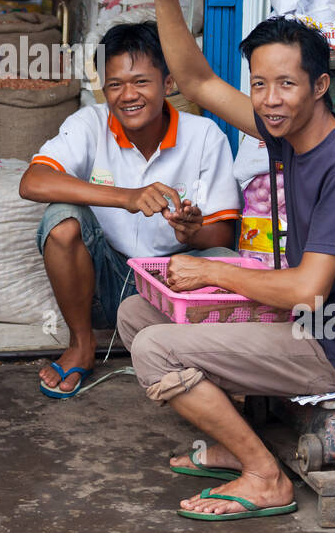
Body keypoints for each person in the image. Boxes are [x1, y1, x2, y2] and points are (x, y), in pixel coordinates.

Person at [116, 0, 335, 522]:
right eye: (260, 85)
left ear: (320, 86)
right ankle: (231, 439)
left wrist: (212, 271)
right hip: (301, 318)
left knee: (156, 351)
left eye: (287, 85)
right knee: (137, 314)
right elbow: (193, 79)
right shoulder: (285, 135)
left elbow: (307, 289)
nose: (270, 101)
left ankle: (265, 475)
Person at [19, 21, 242, 398]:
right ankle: (82, 343)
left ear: (168, 84)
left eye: (141, 82)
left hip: (170, 285)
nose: (127, 95)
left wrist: (189, 231)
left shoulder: (204, 137)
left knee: (221, 258)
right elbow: (32, 182)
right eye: (115, 84)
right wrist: (128, 196)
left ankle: (189, 350)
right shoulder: (90, 124)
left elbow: (221, 237)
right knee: (61, 222)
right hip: (104, 285)